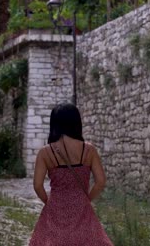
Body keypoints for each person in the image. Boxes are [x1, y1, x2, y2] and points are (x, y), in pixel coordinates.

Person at [29, 103, 113, 246]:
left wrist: (49, 202)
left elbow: (37, 185)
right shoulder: (89, 150)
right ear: (76, 123)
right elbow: (100, 182)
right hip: (82, 205)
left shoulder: (45, 152)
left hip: (56, 206)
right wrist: (86, 199)